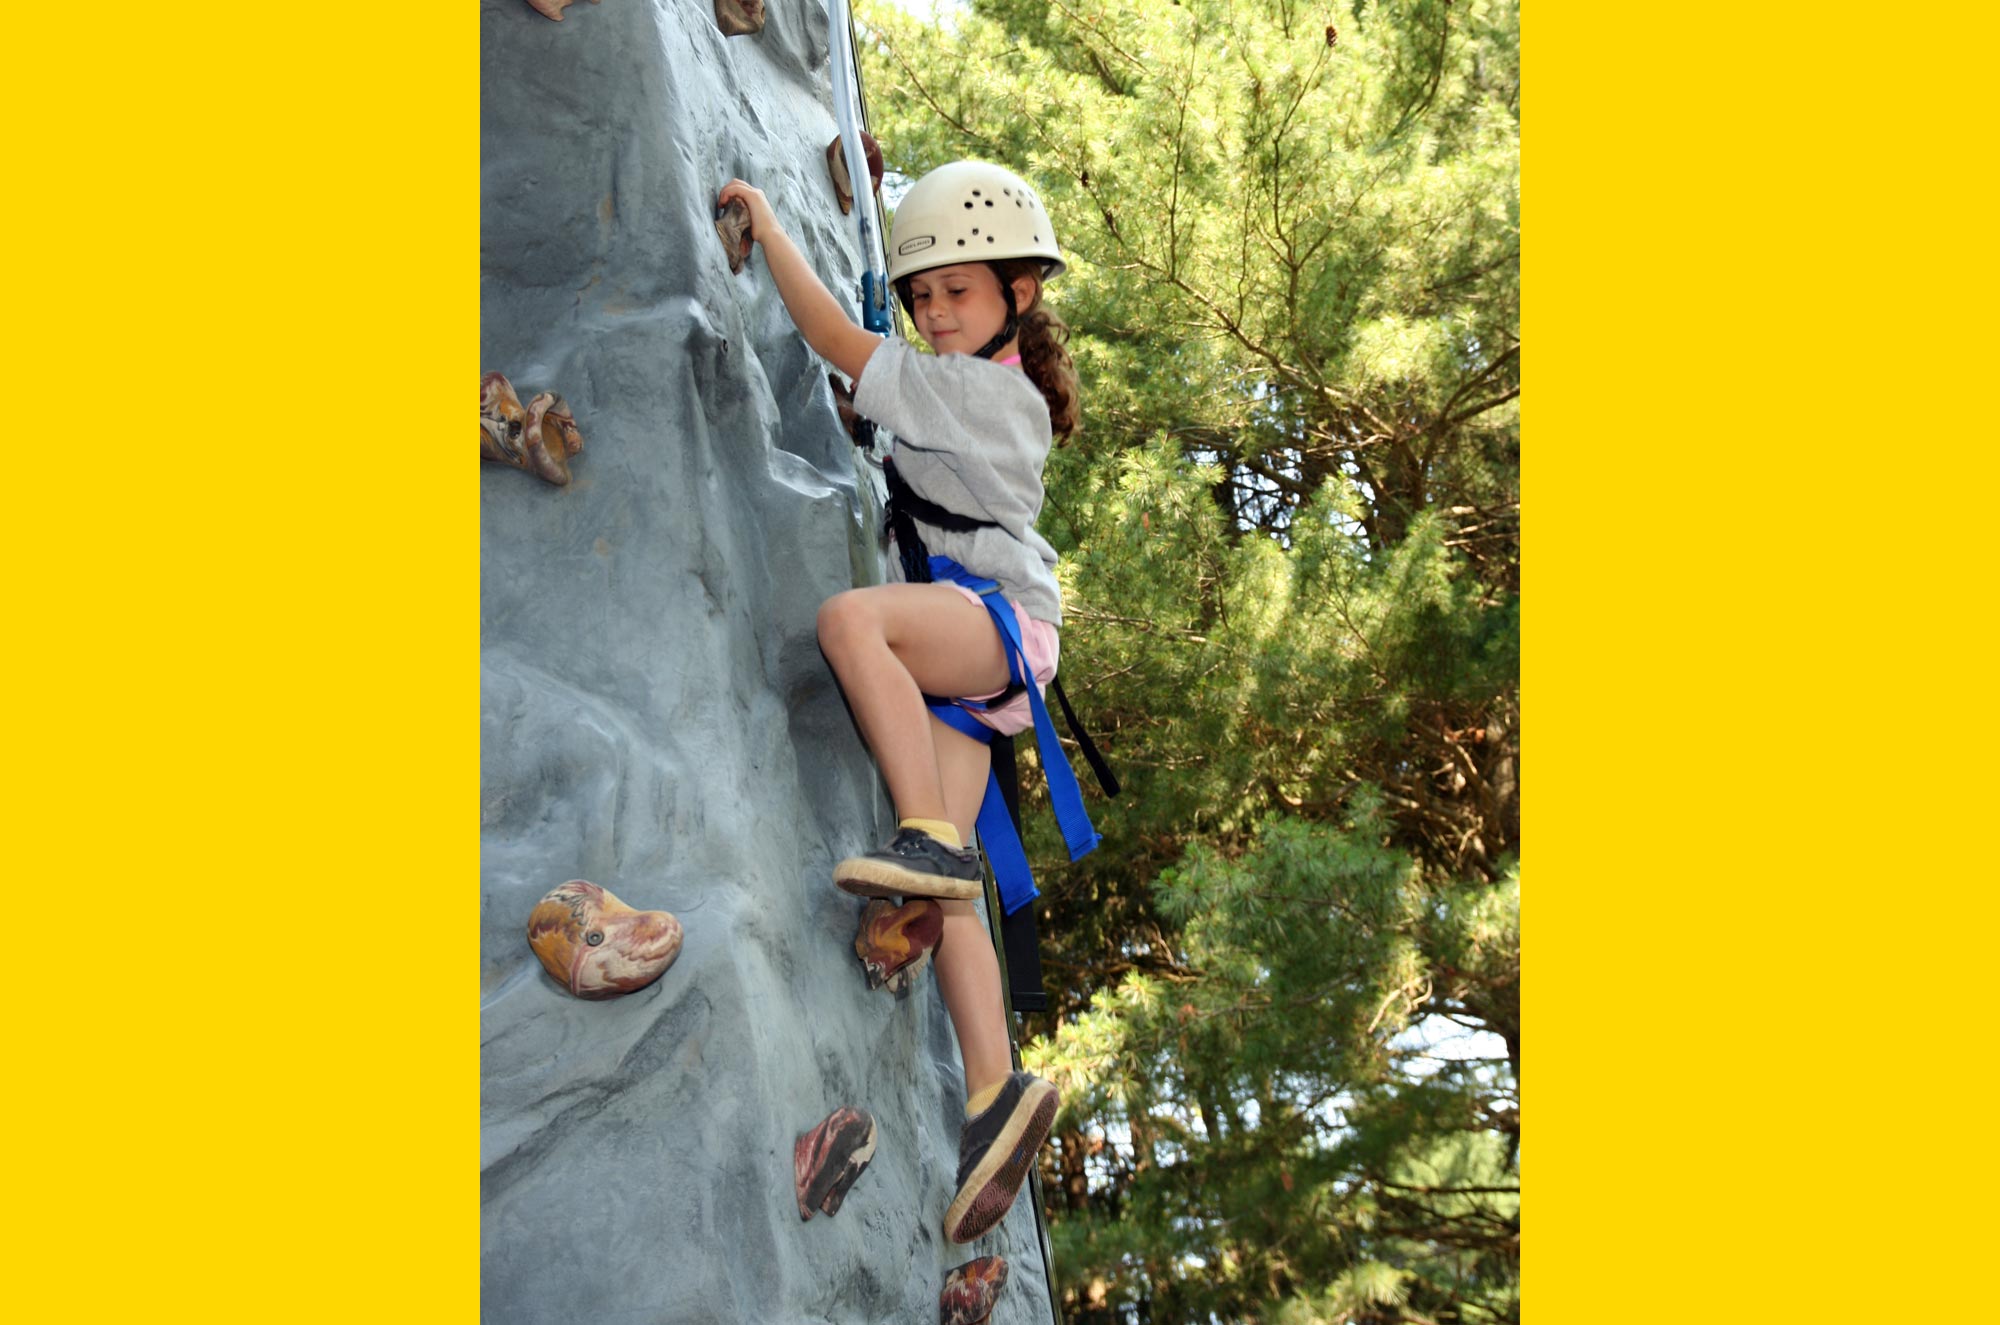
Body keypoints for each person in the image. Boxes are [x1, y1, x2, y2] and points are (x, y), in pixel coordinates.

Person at [716, 160, 1076, 1244]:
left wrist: (772, 231)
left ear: (1018, 292)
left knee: (849, 622)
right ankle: (991, 1093)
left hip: (989, 624)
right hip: (978, 646)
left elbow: (834, 335)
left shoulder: (976, 388)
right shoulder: (967, 391)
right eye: (921, 297)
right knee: (959, 876)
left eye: (956, 291)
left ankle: (921, 836)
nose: (931, 312)